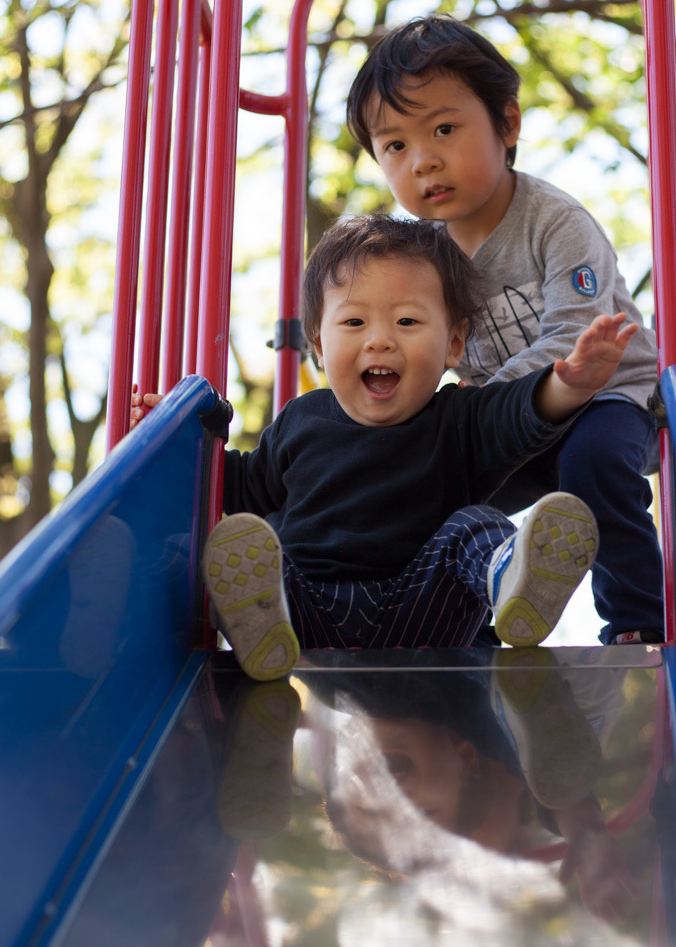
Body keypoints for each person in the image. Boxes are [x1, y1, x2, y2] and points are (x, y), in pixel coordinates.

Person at [132, 214, 636, 680]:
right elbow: (236, 484)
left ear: (454, 344)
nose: (380, 341)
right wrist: (176, 440)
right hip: (305, 618)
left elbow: (522, 410)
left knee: (476, 525)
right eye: (354, 323)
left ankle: (511, 579)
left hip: (424, 620)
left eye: (407, 322)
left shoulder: (460, 419)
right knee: (224, 546)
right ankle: (256, 624)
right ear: (319, 345)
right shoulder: (300, 421)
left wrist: (572, 384)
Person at [345, 14, 664, 645]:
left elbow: (576, 338)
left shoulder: (556, 222)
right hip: (514, 428)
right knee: (428, 493)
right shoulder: (422, 259)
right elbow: (417, 349)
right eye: (396, 146)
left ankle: (636, 624)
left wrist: (475, 406)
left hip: (609, 400)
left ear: (507, 124)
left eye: (444, 128)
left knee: (594, 460)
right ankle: (466, 627)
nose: (424, 160)